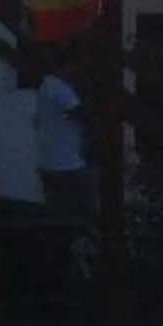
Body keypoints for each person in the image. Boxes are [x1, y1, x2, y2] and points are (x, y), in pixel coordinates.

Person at [34, 63, 94, 218]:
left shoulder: (46, 85)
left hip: (51, 160)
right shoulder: (59, 88)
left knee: (58, 213)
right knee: (82, 213)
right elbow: (79, 113)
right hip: (67, 163)